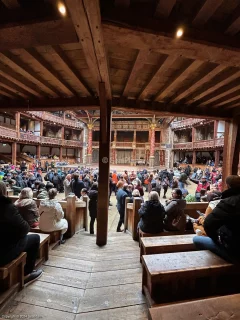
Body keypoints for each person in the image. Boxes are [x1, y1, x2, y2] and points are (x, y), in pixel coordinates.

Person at [0, 181, 42, 285]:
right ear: (4, 191)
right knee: (35, 238)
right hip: (2, 253)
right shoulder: (7, 207)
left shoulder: (14, 204)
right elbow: (24, 228)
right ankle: (27, 274)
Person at [193, 175, 240, 262]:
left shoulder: (228, 203)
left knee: (196, 239)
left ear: (228, 186)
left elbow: (208, 224)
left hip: (234, 252)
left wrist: (217, 239)